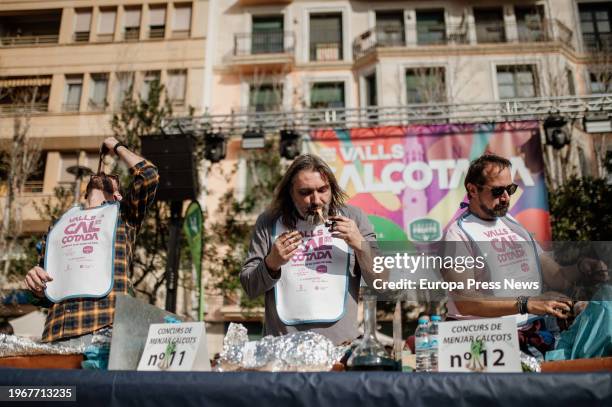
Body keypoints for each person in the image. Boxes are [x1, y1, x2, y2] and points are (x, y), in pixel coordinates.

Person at [24, 137, 159, 345]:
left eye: (113, 178)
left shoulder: (124, 215)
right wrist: (36, 284)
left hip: (103, 330)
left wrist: (116, 146)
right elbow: (43, 294)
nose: (104, 175)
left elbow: (149, 175)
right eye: (102, 174)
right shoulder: (58, 226)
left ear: (118, 195)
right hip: (56, 333)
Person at [441, 154, 608, 322]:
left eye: (510, 189)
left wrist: (581, 268)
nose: (506, 197)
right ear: (473, 190)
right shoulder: (457, 234)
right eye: (498, 190)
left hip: (530, 329)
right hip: (487, 338)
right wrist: (526, 303)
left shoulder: (513, 224)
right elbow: (466, 302)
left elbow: (556, 277)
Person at [241, 154, 382, 345]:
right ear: (290, 193)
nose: (316, 200)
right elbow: (250, 286)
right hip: (282, 348)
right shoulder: (269, 222)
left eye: (323, 190)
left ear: (332, 187)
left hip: (340, 348)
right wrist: (271, 262)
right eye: (305, 192)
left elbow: (382, 279)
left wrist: (359, 243)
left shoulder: (353, 217)